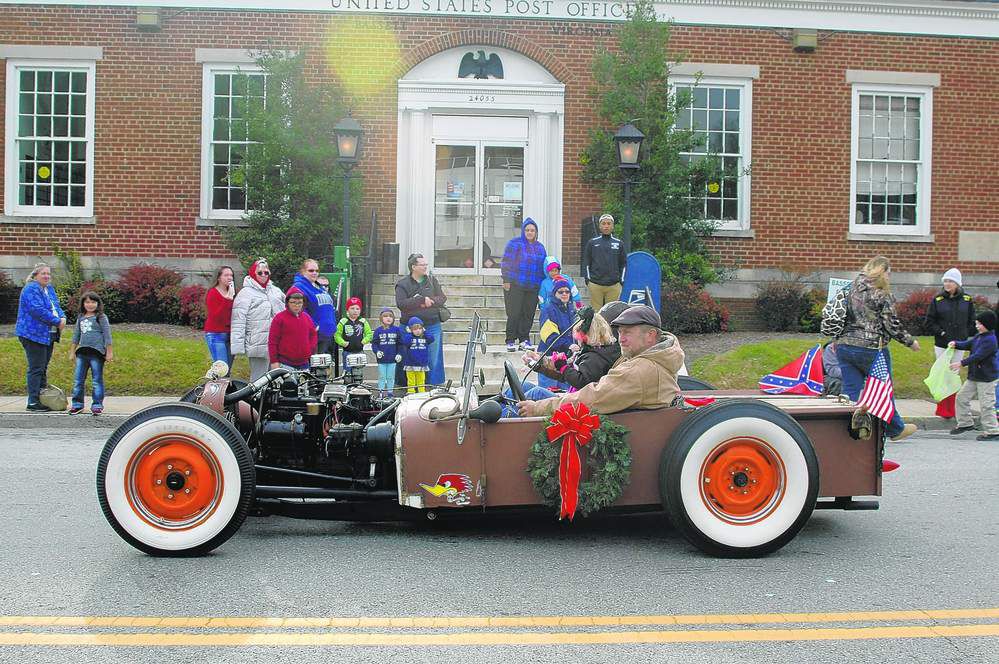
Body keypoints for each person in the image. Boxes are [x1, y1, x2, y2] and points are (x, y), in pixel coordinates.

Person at [517, 306, 684, 417]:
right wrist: (544, 364)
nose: (621, 339)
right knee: (525, 390)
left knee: (529, 397)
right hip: (616, 418)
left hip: (606, 428)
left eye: (627, 333)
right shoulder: (645, 358)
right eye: (619, 333)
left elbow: (592, 398)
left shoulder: (639, 370)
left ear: (651, 336)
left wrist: (536, 408)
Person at [836, 256, 920, 442]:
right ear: (882, 273)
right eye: (889, 273)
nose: (890, 278)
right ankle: (896, 429)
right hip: (872, 349)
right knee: (882, 389)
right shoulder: (882, 294)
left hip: (844, 346)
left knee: (851, 390)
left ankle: (846, 427)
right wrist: (910, 342)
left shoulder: (849, 288)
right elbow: (891, 325)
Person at [925, 267, 975, 418]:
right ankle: (942, 408)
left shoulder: (967, 300)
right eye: (945, 281)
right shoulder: (938, 300)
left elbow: (971, 321)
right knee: (943, 374)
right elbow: (929, 322)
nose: (947, 284)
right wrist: (942, 333)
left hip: (960, 344)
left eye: (950, 281)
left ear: (957, 284)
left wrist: (964, 335)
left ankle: (951, 409)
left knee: (953, 374)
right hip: (942, 344)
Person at [15, 262, 66, 411]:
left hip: (48, 334)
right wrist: (57, 321)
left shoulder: (48, 289)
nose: (46, 276)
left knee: (43, 367)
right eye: (43, 273)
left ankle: (43, 398)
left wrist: (62, 318)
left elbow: (56, 306)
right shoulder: (31, 288)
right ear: (35, 275)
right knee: (36, 368)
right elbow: (37, 310)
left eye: (48, 274)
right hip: (32, 334)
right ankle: (32, 402)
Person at [395, 253, 448, 385]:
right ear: (413, 267)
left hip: (432, 325)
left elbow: (442, 298)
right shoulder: (403, 284)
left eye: (426, 264)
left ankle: (431, 385)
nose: (425, 267)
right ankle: (405, 386)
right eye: (422, 264)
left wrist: (430, 301)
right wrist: (420, 300)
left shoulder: (431, 280)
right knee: (407, 356)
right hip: (409, 327)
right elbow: (401, 304)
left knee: (433, 357)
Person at [231, 258, 285, 381]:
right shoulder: (245, 293)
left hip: (278, 342)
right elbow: (238, 320)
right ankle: (256, 399)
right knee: (259, 379)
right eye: (260, 273)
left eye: (266, 272)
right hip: (257, 343)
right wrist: (238, 346)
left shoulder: (276, 291)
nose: (264, 275)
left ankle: (274, 400)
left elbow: (286, 312)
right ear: (252, 274)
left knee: (278, 376)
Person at [948, 310, 998, 441]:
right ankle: (965, 423)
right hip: (974, 377)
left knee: (987, 404)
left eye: (979, 323)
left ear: (987, 324)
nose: (977, 326)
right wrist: (956, 344)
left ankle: (993, 431)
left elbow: (978, 356)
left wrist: (961, 363)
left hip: (987, 379)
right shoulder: (979, 336)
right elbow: (968, 344)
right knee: (961, 398)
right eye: (976, 323)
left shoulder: (991, 340)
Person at [501, 218, 547, 352]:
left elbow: (543, 267)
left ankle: (524, 339)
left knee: (528, 314)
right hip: (515, 284)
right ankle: (510, 340)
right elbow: (506, 262)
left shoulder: (540, 247)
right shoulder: (514, 244)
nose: (530, 232)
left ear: (536, 232)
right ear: (523, 231)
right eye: (527, 230)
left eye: (532, 230)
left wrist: (543, 285)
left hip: (533, 286)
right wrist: (506, 280)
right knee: (514, 313)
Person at [69, 291, 113, 416]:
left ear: (98, 303)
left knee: (96, 380)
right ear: (83, 304)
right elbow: (76, 335)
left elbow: (107, 336)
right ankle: (77, 404)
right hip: (82, 353)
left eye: (93, 302)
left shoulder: (101, 317)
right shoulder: (81, 317)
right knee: (78, 380)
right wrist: (72, 351)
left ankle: (97, 405)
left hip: (97, 353)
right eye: (87, 302)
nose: (90, 305)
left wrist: (109, 352)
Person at [287, 258, 337, 355]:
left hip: (326, 335)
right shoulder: (298, 287)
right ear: (303, 272)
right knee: (311, 367)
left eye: (317, 271)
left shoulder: (320, 287)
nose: (314, 273)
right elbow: (297, 310)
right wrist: (314, 326)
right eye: (311, 270)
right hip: (311, 336)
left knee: (322, 367)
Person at [536, 277, 576, 390]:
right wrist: (569, 345)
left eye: (567, 291)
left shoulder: (571, 310)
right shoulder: (548, 310)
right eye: (561, 292)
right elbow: (549, 337)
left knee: (563, 397)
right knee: (547, 396)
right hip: (548, 359)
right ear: (555, 293)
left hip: (565, 361)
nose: (564, 294)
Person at [582, 213, 627, 310]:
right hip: (595, 284)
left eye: (608, 223)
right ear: (599, 226)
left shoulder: (619, 243)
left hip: (614, 285)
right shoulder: (592, 243)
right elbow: (586, 262)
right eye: (603, 223)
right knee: (597, 314)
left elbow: (623, 264)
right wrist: (588, 280)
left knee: (611, 313)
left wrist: (621, 280)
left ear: (613, 226)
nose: (606, 226)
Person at [267, 291, 317, 371]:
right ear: (287, 303)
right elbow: (272, 342)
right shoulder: (279, 318)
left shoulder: (306, 317)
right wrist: (274, 362)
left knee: (304, 384)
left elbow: (313, 335)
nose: (296, 305)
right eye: (293, 302)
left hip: (304, 364)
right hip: (285, 363)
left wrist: (309, 350)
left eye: (300, 302)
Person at [203, 265, 235, 372]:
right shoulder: (213, 293)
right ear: (219, 278)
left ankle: (224, 389)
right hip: (216, 335)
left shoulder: (233, 292)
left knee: (227, 370)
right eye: (226, 275)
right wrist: (228, 299)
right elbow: (217, 316)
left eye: (231, 275)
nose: (230, 278)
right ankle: (214, 388)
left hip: (230, 336)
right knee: (221, 370)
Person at [371, 307, 403, 397]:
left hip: (393, 359)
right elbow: (374, 344)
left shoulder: (397, 330)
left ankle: (390, 392)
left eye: (390, 316)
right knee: (382, 376)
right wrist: (377, 351)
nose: (388, 318)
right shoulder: (378, 331)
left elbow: (400, 344)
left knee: (390, 377)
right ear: (381, 318)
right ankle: (380, 392)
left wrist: (399, 354)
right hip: (382, 359)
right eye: (385, 316)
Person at [334, 296, 373, 366]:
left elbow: (369, 334)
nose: (355, 311)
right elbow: (337, 335)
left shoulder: (363, 321)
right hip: (347, 351)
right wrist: (342, 343)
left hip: (360, 351)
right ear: (347, 310)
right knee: (347, 371)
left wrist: (364, 341)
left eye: (357, 309)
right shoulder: (343, 321)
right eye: (352, 308)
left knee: (359, 371)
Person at [402, 317, 433, 393]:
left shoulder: (425, 337)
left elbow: (431, 339)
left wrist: (425, 332)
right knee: (411, 380)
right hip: (410, 364)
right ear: (410, 329)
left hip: (421, 364)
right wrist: (409, 333)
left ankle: (421, 393)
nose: (418, 331)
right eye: (415, 329)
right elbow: (406, 342)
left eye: (420, 328)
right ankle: (411, 392)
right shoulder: (409, 337)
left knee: (421, 380)